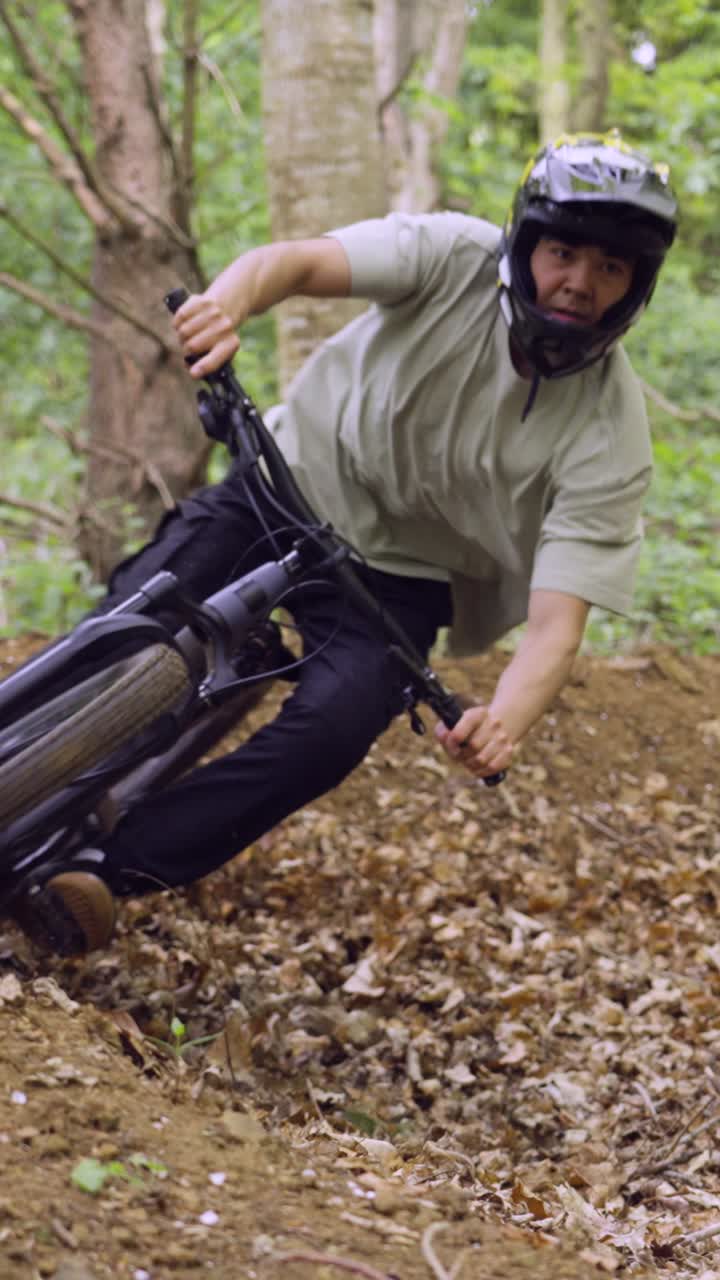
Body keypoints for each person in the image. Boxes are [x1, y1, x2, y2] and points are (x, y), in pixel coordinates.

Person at [13, 130, 677, 955]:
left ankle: (105, 872)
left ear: (634, 288)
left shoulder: (613, 434)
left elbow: (556, 624)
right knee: (129, 625)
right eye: (564, 251)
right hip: (286, 484)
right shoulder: (449, 254)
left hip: (400, 583)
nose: (579, 282)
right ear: (525, 242)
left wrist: (505, 718)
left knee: (331, 735)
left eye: (610, 268)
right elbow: (291, 262)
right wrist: (227, 306)